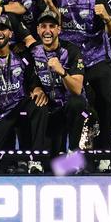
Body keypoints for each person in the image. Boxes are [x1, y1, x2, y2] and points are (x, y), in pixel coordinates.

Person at [42, 0, 111, 150]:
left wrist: (107, 18)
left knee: (105, 103)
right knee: (70, 103)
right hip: (72, 58)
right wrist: (50, 5)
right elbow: (54, 25)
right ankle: (68, 150)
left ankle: (106, 152)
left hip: (97, 58)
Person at [0, 15, 49, 173]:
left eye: (3, 29)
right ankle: (11, 162)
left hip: (17, 111)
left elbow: (32, 80)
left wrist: (37, 89)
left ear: (10, 33)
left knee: (39, 104)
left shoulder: (22, 56)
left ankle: (35, 159)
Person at [29, 9, 88, 153]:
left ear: (59, 30)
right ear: (38, 30)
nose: (47, 31)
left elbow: (77, 89)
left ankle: (74, 150)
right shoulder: (33, 51)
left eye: (51, 26)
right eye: (43, 26)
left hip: (70, 109)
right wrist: (36, 88)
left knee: (77, 102)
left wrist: (62, 71)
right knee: (53, 162)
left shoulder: (72, 51)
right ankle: (35, 158)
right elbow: (29, 77)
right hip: (50, 110)